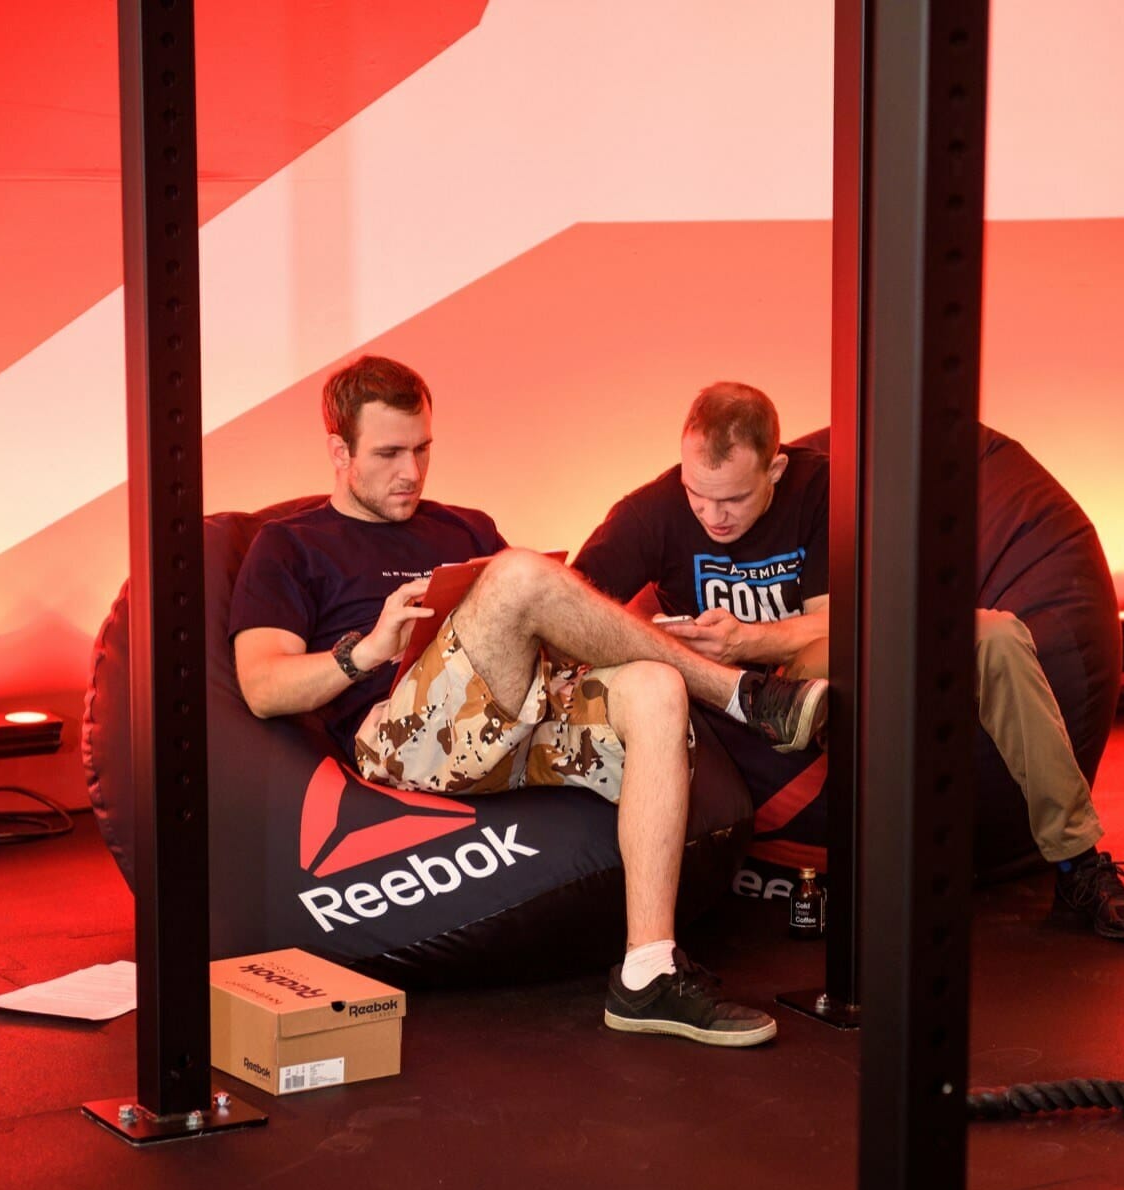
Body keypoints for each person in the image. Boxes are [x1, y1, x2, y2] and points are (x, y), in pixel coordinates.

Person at [231, 356, 829, 1048]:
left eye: (423, 448)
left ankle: (647, 972)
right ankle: (739, 694)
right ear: (339, 451)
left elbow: (535, 630)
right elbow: (261, 684)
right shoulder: (290, 546)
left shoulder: (464, 527)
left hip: (513, 721)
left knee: (656, 689)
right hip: (400, 737)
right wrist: (366, 649)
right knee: (521, 574)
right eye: (390, 453)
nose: (412, 471)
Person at [573, 381, 1124, 941]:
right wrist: (659, 640)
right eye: (698, 493)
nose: (712, 514)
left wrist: (747, 639)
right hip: (725, 706)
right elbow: (572, 605)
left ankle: (1078, 862)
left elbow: (842, 623)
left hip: (810, 673)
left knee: (997, 635)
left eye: (733, 498)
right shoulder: (653, 510)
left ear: (775, 468)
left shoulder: (821, 486)